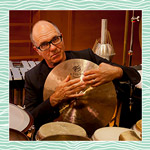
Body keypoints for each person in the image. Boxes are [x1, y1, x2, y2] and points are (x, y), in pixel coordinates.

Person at [24, 20, 141, 133]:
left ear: (62, 37)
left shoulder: (87, 57)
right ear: (37, 50)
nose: (53, 47)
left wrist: (116, 72)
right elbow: (30, 120)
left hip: (93, 129)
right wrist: (54, 99)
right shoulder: (33, 77)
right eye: (44, 44)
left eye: (55, 39)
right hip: (56, 134)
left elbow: (134, 75)